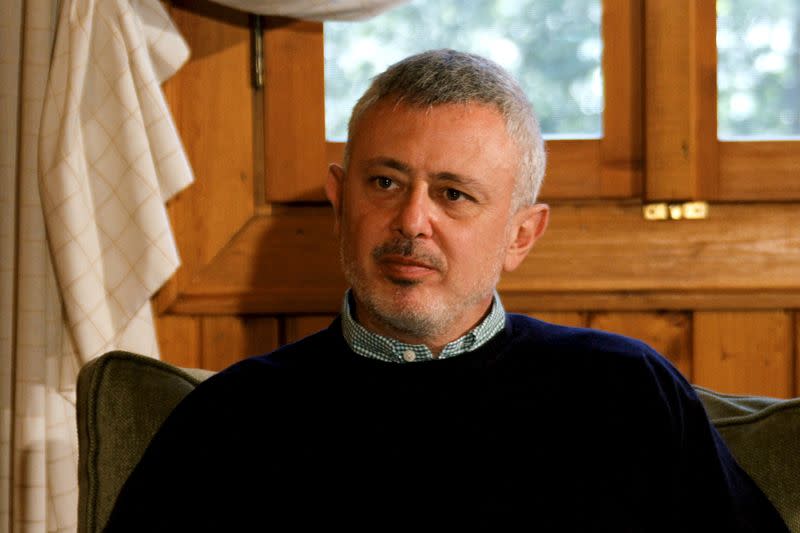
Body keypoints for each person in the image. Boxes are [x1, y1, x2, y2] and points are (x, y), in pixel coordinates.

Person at [106, 49, 787, 531]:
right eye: (385, 183)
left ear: (522, 234)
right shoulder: (232, 420)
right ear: (340, 200)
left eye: (453, 194)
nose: (410, 220)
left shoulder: (629, 392)